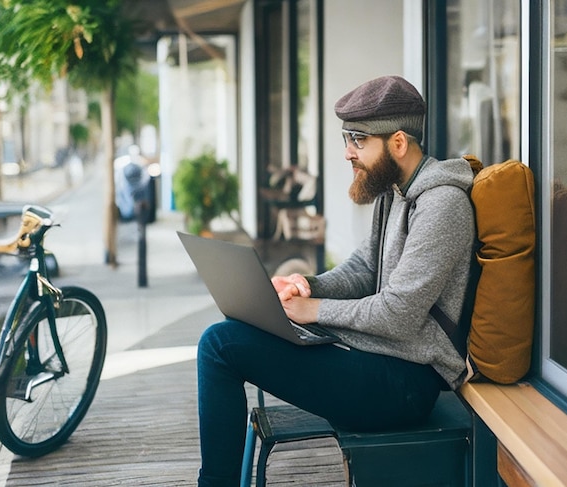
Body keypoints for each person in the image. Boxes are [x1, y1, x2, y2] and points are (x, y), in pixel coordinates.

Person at [195, 75, 476, 486]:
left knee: (220, 346)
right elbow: (362, 270)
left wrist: (312, 311)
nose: (347, 152)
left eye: (358, 139)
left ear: (398, 142)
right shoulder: (397, 193)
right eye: (348, 138)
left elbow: (397, 314)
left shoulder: (442, 205)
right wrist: (307, 284)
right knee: (235, 331)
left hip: (404, 385)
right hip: (377, 358)